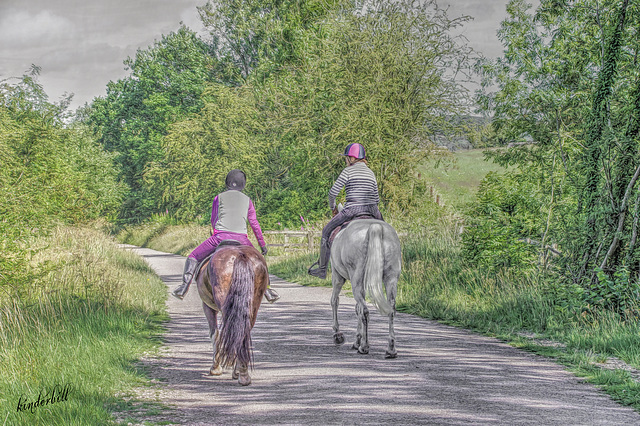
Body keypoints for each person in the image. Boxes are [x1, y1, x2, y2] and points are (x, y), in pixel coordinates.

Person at [172, 169, 280, 302]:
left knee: (193, 256)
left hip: (220, 237)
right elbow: (254, 224)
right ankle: (268, 290)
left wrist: (215, 231)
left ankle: (183, 288)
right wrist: (262, 244)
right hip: (242, 239)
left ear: (227, 183)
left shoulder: (219, 197)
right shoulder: (248, 200)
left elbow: (214, 219)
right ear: (243, 184)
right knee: (259, 261)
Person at [308, 143, 384, 279]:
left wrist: (333, 208)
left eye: (347, 158)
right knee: (386, 231)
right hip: (372, 209)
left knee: (326, 231)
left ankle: (322, 269)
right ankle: (390, 263)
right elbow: (377, 198)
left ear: (352, 158)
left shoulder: (347, 171)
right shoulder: (371, 173)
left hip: (351, 210)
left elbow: (332, 193)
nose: (346, 160)